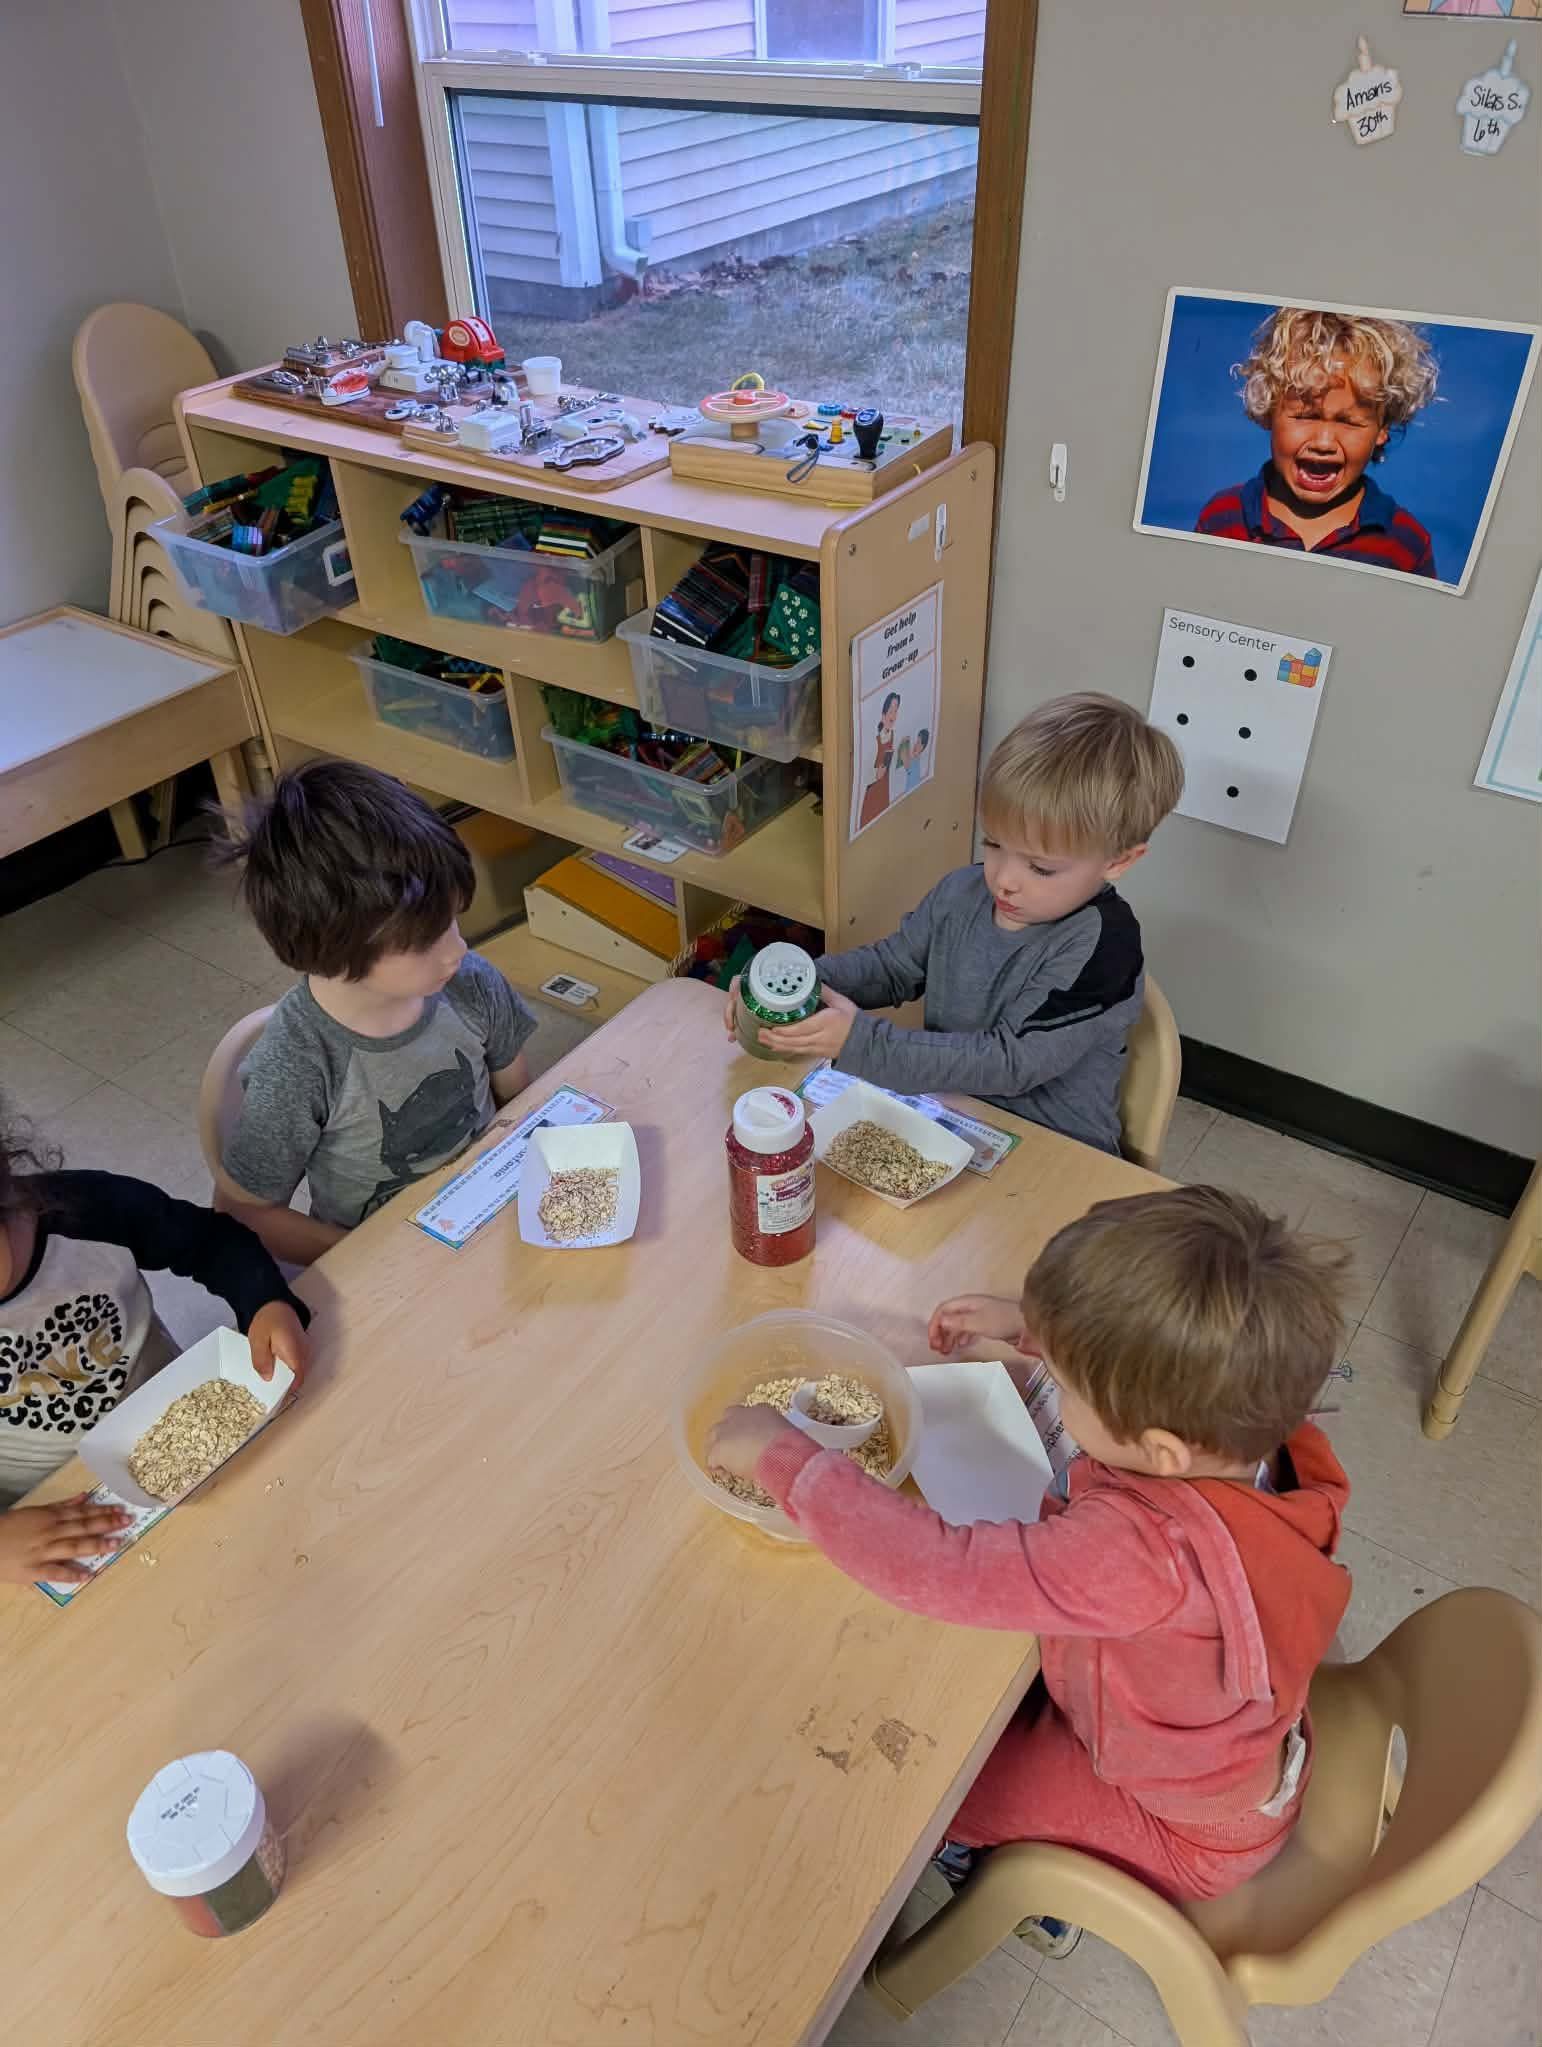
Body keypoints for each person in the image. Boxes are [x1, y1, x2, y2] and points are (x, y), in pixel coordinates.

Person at [707, 1186, 1353, 1942]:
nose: (1055, 1385)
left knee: (927, 1792)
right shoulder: (1250, 1431)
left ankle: (1028, 1889)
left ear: (1161, 1451)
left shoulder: (1142, 1555)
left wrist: (786, 1459)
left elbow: (938, 1566)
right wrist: (1041, 1328)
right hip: (1214, 1744)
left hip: (1179, 1826)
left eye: (1069, 1386)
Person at [729, 692, 1184, 1156]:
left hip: (1055, 1151)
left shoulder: (1107, 948)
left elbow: (1010, 1063)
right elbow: (893, 967)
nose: (1003, 880)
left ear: (1119, 861)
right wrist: (795, 987)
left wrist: (860, 1041)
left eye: (1040, 869)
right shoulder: (961, 894)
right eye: (994, 844)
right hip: (951, 1118)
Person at [215, 760, 537, 1265]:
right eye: (427, 938)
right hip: (387, 1267)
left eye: (453, 920)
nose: (457, 948)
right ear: (334, 948)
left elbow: (522, 1103)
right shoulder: (298, 1063)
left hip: (492, 1227)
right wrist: (379, 1255)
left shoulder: (470, 982)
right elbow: (243, 1214)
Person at [0, 1106, 309, 1578]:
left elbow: (212, 1243)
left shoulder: (86, 1209)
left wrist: (265, 1299)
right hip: (47, 1504)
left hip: (186, 1427)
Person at [1195, 307, 1439, 578]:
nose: (1324, 442)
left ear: (1383, 429)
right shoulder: (1224, 518)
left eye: (1349, 422)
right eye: (1305, 416)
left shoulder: (1404, 544)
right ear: (1268, 412)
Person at [858, 690, 902, 831]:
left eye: (896, 710)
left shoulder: (894, 735)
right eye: (891, 710)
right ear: (883, 715)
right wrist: (875, 774)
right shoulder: (875, 739)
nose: (893, 715)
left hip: (885, 791)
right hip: (873, 793)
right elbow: (863, 771)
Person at [903, 727, 931, 793]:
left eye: (918, 742)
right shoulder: (915, 759)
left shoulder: (916, 759)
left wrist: (905, 744)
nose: (915, 744)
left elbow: (906, 761)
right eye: (916, 741)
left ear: (922, 746)